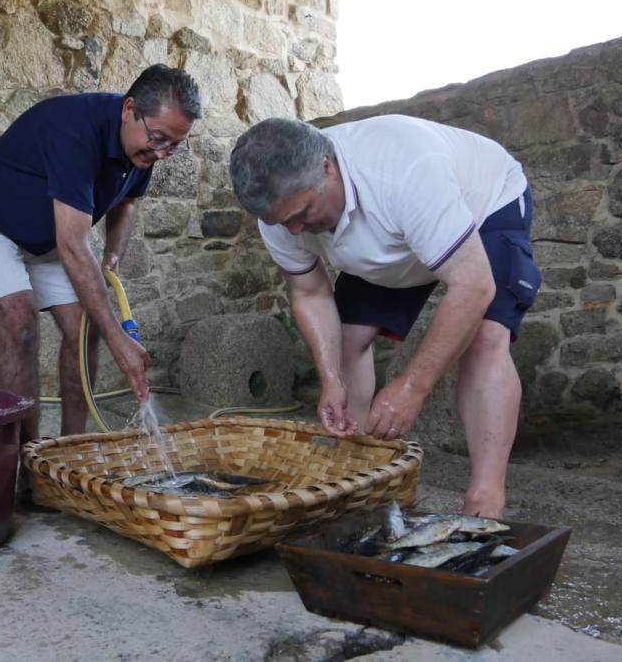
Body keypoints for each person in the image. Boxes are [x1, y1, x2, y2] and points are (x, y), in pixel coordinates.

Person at [229, 115, 541, 518]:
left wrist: (412, 386)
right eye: (281, 222)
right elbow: (309, 292)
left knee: (484, 341)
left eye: (302, 213)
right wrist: (330, 379)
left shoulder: (403, 170)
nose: (293, 230)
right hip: (391, 235)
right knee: (347, 339)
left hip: (484, 208)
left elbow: (473, 286)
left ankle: (485, 499)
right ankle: (356, 476)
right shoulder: (281, 214)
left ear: (327, 167)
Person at [0, 64, 201, 443]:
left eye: (174, 145)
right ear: (128, 109)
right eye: (159, 138)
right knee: (20, 325)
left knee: (83, 329)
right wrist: (120, 340)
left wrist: (113, 256)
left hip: (49, 230)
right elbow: (72, 245)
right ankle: (24, 461)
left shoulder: (144, 149)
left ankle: (71, 452)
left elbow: (127, 203)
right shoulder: (74, 131)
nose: (164, 152)